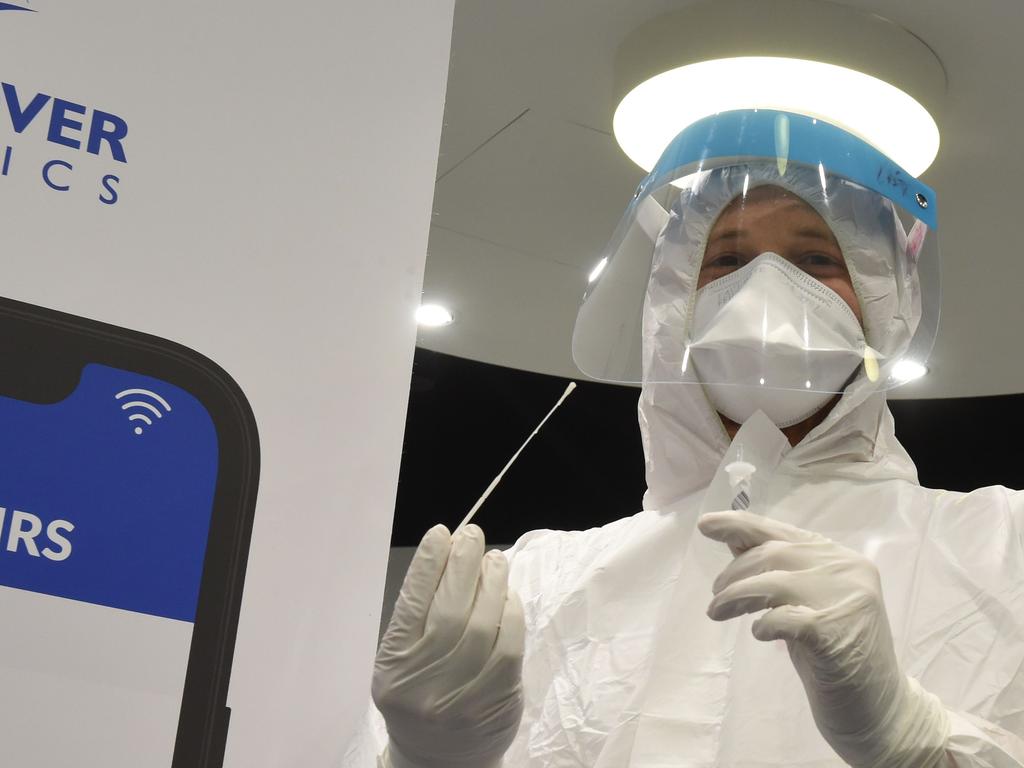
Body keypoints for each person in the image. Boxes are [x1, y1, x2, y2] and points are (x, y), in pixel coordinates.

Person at [347, 109, 1024, 767]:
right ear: (674, 307)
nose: (764, 289)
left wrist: (918, 745)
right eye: (726, 260)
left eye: (815, 259)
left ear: (882, 304)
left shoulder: (1000, 547)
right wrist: (428, 758)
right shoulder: (542, 581)